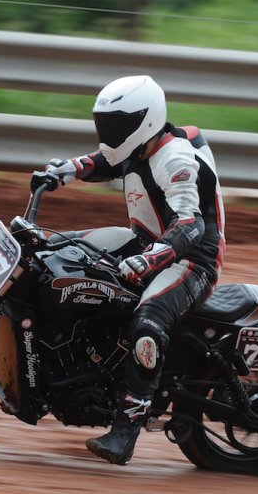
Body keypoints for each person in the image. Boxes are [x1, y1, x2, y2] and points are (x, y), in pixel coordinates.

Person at [42, 75, 225, 465]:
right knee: (58, 249)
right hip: (143, 240)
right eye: (104, 123)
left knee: (147, 321)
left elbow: (190, 225)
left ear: (145, 119)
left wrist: (152, 259)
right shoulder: (138, 145)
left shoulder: (173, 159)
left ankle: (127, 428)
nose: (109, 133)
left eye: (117, 125)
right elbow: (103, 161)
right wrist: (65, 170)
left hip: (190, 260)